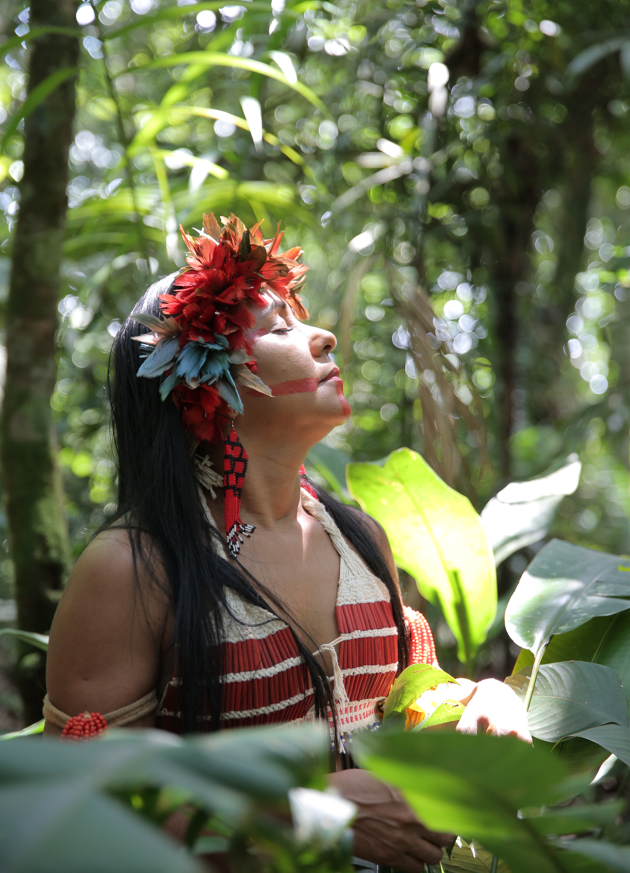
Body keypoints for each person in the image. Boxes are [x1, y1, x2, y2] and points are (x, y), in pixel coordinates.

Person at [44, 212, 530, 871]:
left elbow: (400, 715)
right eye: (279, 328)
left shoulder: (362, 542)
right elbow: (79, 801)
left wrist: (479, 700)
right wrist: (311, 813)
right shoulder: (130, 569)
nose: (325, 336)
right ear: (203, 388)